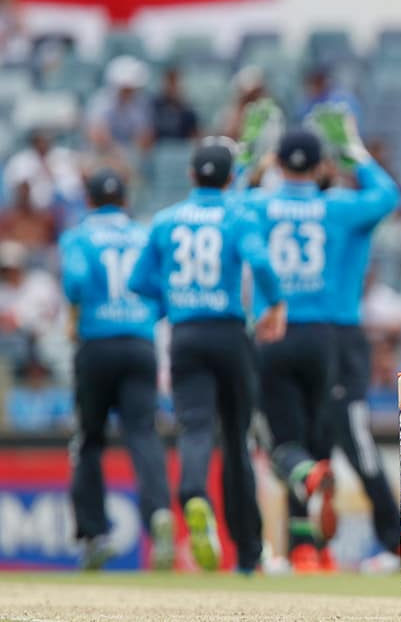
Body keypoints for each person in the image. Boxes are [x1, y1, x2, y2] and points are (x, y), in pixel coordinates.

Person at [128, 137, 286, 573]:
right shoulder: (238, 215)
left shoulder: (165, 220)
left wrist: (174, 302)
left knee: (195, 426)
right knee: (237, 438)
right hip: (230, 333)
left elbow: (140, 283)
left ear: (191, 174)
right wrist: (275, 305)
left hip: (185, 334)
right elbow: (263, 263)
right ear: (231, 177)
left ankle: (194, 495)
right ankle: (248, 552)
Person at [304, 110, 401, 573]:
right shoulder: (343, 207)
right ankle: (309, 548)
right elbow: (388, 195)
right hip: (335, 336)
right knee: (315, 447)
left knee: (342, 442)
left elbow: (389, 198)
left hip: (328, 339)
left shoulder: (318, 208)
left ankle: (389, 542)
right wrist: (355, 153)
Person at [58, 169, 174, 570]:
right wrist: (145, 316)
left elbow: (74, 283)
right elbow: (164, 290)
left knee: (90, 440)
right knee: (143, 434)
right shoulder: (143, 233)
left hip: (96, 345)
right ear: (125, 199)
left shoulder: (78, 236)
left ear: (89, 201)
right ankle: (158, 513)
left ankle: (94, 534)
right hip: (140, 344)